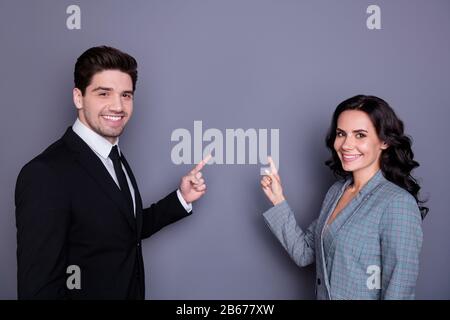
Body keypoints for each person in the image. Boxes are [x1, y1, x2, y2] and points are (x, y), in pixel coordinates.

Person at [15, 46, 210, 300]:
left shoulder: (113, 156)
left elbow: (123, 229)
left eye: (126, 95)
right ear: (78, 97)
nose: (117, 106)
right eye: (103, 93)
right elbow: (38, 291)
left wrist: (181, 198)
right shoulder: (45, 174)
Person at [260, 95, 427, 299]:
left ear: (384, 141)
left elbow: (399, 290)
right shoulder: (336, 192)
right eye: (341, 134)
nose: (346, 144)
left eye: (360, 135)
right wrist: (278, 199)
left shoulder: (397, 204)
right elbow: (304, 253)